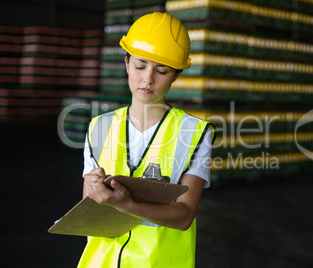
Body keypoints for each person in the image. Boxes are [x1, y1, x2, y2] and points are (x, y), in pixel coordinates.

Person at [77, 12, 215, 268]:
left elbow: (184, 216)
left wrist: (128, 204)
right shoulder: (99, 127)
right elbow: (89, 208)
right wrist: (94, 189)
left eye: (161, 70)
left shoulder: (194, 133)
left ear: (176, 75)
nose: (148, 79)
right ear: (127, 63)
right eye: (140, 66)